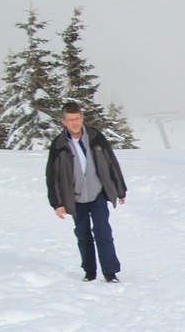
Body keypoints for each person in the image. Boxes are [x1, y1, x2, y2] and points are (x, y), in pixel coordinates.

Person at [46, 101, 128, 282]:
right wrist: (57, 203)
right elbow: (53, 176)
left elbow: (111, 163)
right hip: (75, 197)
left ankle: (110, 272)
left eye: (77, 118)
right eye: (70, 120)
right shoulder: (59, 144)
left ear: (82, 118)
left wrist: (120, 189)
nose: (74, 123)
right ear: (64, 122)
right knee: (83, 235)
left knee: (103, 233)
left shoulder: (95, 137)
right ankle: (90, 272)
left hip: (97, 193)